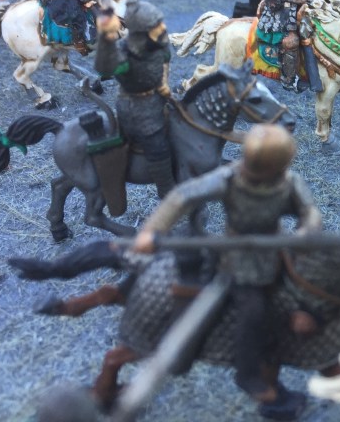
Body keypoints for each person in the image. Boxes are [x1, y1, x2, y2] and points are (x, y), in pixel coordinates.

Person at [132, 124, 322, 412]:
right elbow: (182, 196)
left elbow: (309, 211)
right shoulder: (229, 179)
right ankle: (248, 374)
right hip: (241, 260)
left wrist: (305, 233)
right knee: (253, 312)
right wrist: (151, 231)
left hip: (279, 250)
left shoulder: (289, 182)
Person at [95, 0, 175, 196]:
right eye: (156, 25)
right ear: (141, 32)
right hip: (136, 106)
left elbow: (165, 60)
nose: (163, 27)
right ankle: (166, 190)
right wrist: (106, 40)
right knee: (156, 144)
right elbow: (106, 68)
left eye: (160, 22)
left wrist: (163, 83)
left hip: (159, 96)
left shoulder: (159, 43)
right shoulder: (124, 53)